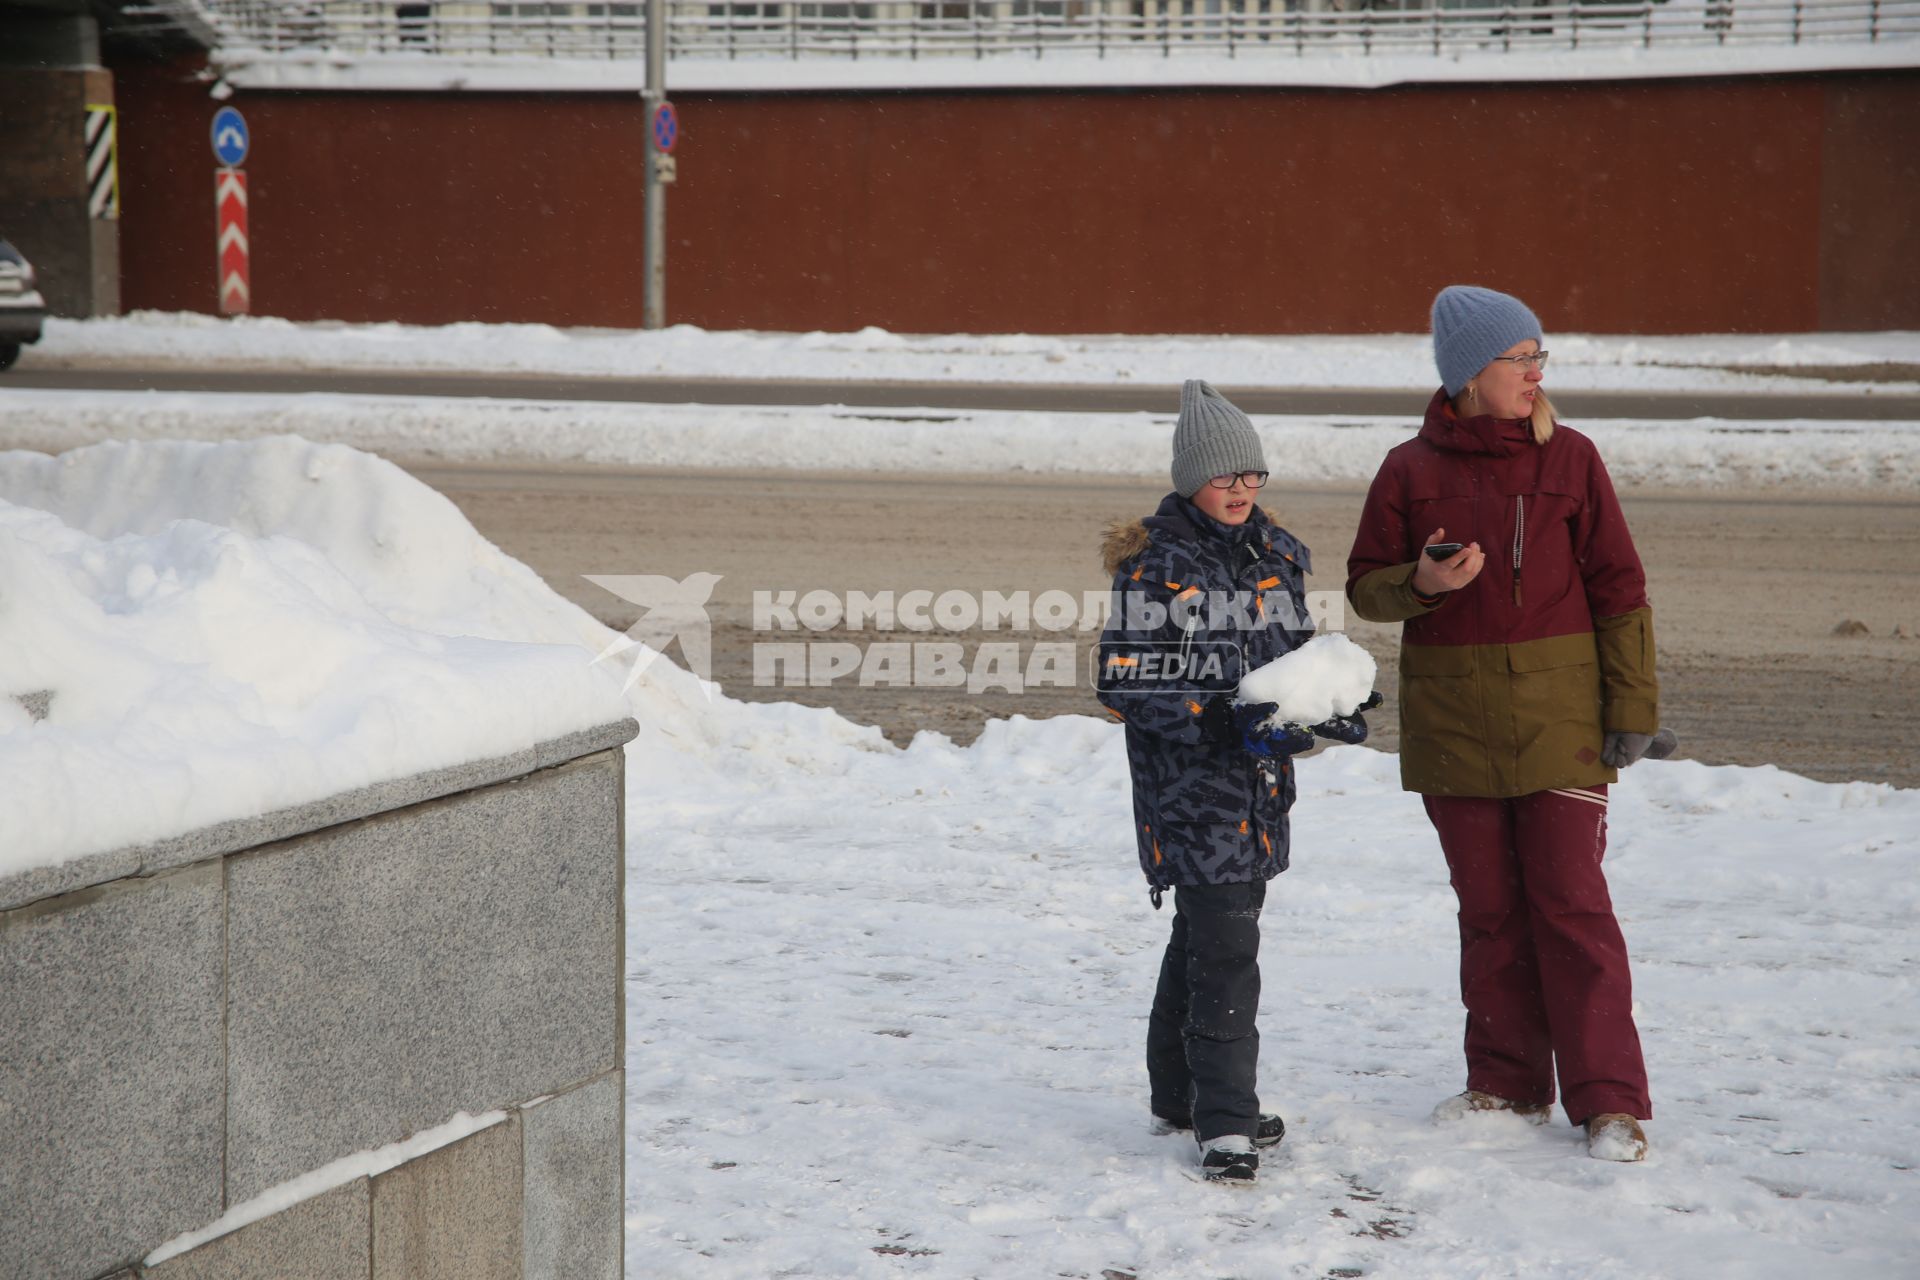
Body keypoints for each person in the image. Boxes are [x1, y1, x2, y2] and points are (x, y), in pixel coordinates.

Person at [1345, 284, 1665, 1162]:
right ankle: (1507, 1082)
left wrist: (1631, 709)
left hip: (1562, 722)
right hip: (1455, 727)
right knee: (1489, 912)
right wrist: (1424, 583)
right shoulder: (1409, 469)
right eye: (1517, 359)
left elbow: (1621, 592)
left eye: (1537, 359)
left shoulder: (1573, 460)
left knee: (1573, 908)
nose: (1535, 374)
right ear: (1468, 374)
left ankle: (1609, 1103)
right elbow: (1366, 585)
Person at [1097, 379, 1372, 1184]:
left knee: (1206, 933)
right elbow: (1123, 680)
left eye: (1252, 476)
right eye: (1226, 477)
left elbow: (1294, 660)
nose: (1243, 490)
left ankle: (1177, 1096)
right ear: (1191, 479)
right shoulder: (1156, 568)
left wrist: (1332, 702)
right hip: (1189, 787)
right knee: (1228, 949)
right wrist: (1217, 719)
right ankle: (1224, 1124)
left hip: (1259, 785)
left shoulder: (1275, 556)